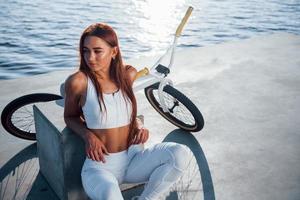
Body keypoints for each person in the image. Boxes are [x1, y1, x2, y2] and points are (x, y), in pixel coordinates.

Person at [64, 22, 193, 200]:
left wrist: (138, 126)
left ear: (114, 52)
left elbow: (121, 111)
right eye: (85, 51)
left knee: (179, 153)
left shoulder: (127, 75)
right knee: (111, 194)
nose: (90, 58)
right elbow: (70, 117)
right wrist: (88, 136)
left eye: (97, 51)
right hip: (99, 168)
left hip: (132, 159)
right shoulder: (79, 81)